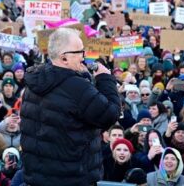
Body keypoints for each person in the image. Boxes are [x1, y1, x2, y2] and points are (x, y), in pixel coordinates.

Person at [21, 28, 120, 186]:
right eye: (80, 51)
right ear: (64, 58)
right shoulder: (77, 88)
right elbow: (111, 114)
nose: (84, 56)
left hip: (38, 177)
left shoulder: (33, 84)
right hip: (72, 178)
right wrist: (105, 79)